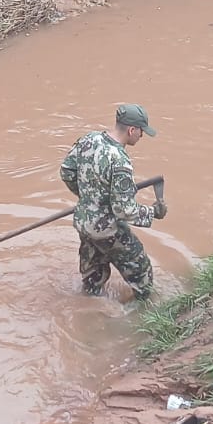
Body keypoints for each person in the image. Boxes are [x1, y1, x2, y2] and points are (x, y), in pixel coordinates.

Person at [59, 103, 167, 301]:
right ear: (132, 130)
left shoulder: (89, 140)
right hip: (106, 229)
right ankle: (140, 315)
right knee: (142, 273)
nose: (142, 136)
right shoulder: (119, 161)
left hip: (83, 223)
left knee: (92, 276)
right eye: (141, 131)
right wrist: (153, 212)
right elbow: (123, 210)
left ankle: (89, 310)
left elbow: (66, 171)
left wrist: (88, 197)